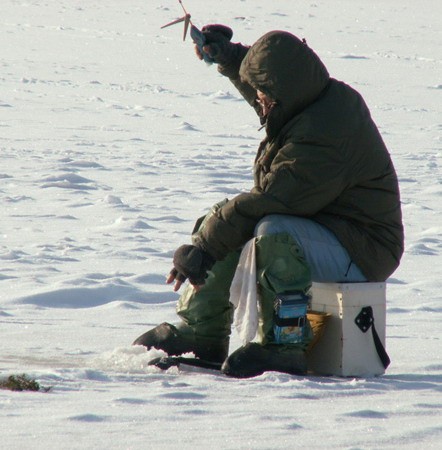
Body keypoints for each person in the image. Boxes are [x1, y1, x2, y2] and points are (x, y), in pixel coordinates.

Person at [133, 25, 404, 378]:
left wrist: (204, 247)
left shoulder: (323, 136)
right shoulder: (315, 99)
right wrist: (230, 58)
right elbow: (276, 87)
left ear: (281, 94)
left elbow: (274, 199)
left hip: (365, 250)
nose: (257, 99)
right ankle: (201, 333)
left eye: (263, 93)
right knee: (230, 219)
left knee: (271, 229)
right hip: (331, 228)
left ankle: (285, 345)